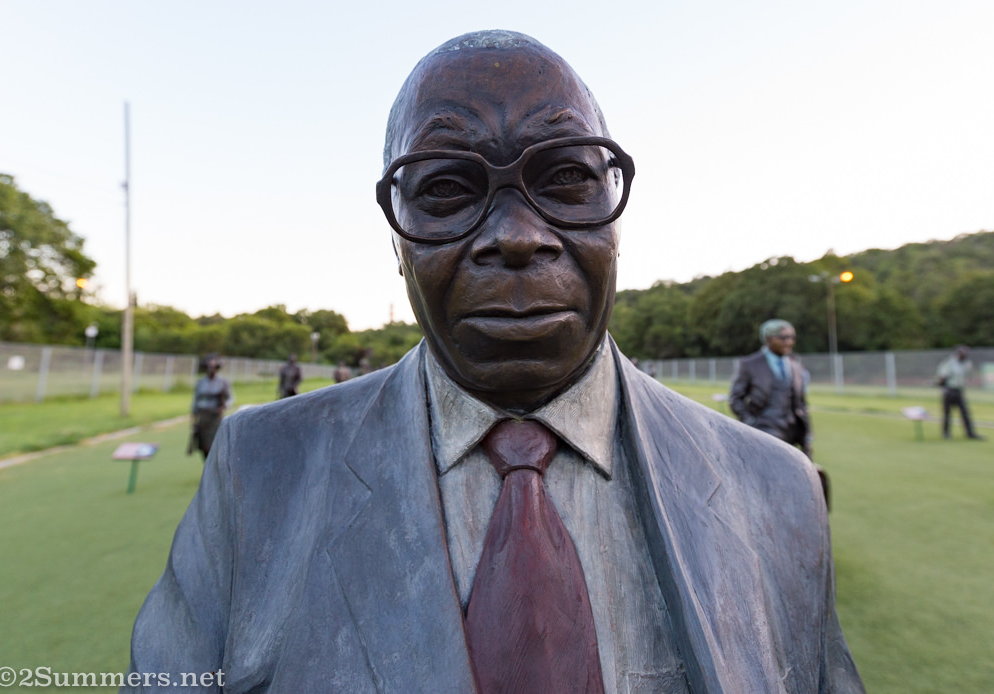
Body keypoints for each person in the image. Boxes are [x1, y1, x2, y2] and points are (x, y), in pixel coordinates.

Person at [125, 32, 863, 693]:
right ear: (397, 240)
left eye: (565, 176)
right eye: (447, 186)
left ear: (616, 208)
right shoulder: (258, 467)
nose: (517, 234)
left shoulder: (779, 487)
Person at [729, 319, 812, 457]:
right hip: (764, 430)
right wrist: (750, 422)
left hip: (792, 432)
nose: (789, 342)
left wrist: (807, 434)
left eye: (792, 337)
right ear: (768, 339)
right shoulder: (749, 364)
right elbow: (735, 399)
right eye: (783, 337)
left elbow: (801, 403)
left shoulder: (795, 365)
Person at [186, 353, 232, 462]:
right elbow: (196, 399)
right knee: (203, 445)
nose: (211, 369)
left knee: (214, 444)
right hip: (203, 415)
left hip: (215, 416)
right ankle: (207, 467)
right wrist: (194, 414)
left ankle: (217, 468)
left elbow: (230, 398)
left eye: (214, 367)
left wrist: (225, 406)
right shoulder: (201, 382)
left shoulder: (223, 382)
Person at [937, 345, 985, 440]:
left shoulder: (966, 364)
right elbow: (943, 376)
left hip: (959, 390)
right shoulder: (950, 363)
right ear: (959, 353)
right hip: (949, 390)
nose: (965, 355)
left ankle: (970, 433)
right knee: (947, 413)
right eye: (963, 353)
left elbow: (968, 376)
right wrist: (941, 385)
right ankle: (946, 434)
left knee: (965, 413)